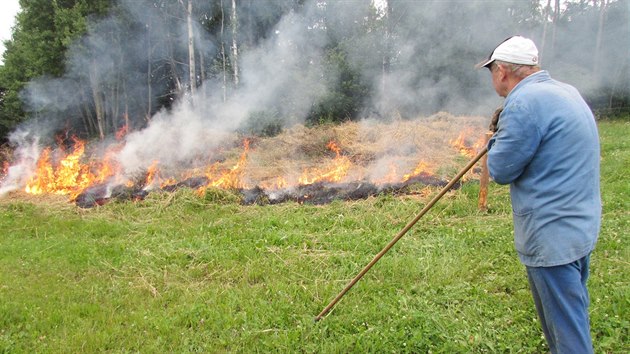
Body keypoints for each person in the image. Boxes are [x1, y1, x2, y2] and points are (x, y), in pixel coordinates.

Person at [477, 36, 601, 354]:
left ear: (502, 71)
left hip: (552, 235)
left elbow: (501, 170)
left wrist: (495, 140)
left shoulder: (524, 103)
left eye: (491, 71)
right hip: (580, 226)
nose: (492, 78)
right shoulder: (565, 91)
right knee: (571, 316)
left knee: (566, 334)